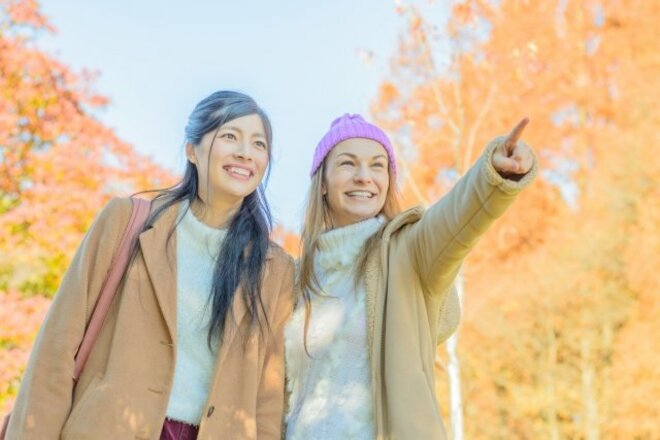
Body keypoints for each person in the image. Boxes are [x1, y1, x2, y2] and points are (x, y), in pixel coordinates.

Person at [6, 91, 294, 440]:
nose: (245, 152)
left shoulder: (274, 268)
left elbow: (267, 400)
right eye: (229, 136)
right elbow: (57, 350)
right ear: (192, 149)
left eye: (258, 144)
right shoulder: (127, 222)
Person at [284, 113, 537, 439]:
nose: (364, 177)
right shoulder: (296, 277)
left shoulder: (407, 252)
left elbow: (454, 220)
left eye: (377, 166)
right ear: (322, 183)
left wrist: (491, 177)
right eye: (348, 164)